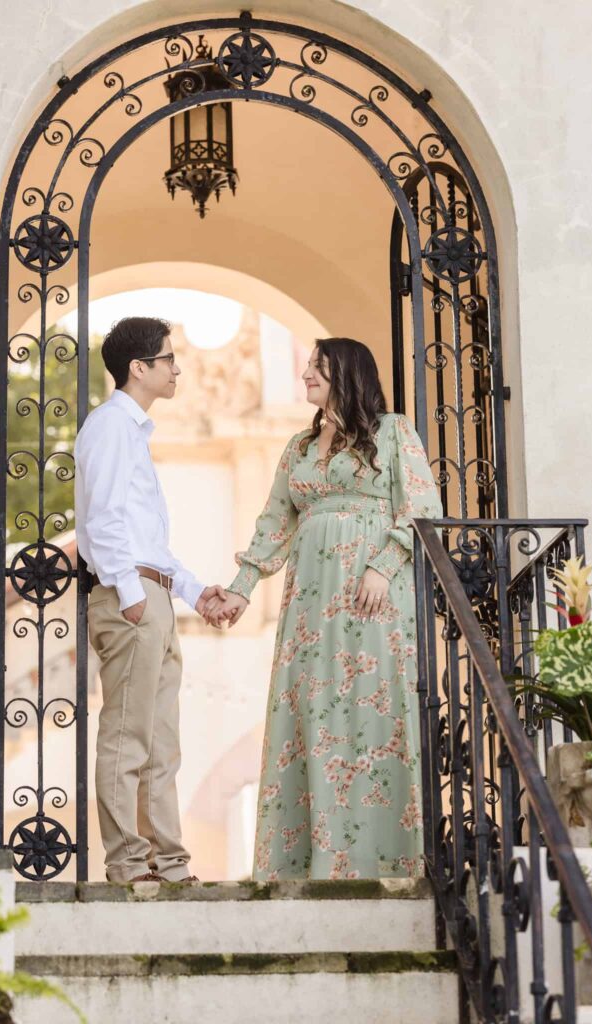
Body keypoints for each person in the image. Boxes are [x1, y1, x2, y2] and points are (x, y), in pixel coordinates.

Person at [205, 338, 442, 880]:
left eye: (316, 367)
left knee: (373, 710)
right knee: (312, 712)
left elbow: (424, 507)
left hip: (373, 595)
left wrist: (385, 565)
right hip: (310, 604)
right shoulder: (298, 447)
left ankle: (384, 859)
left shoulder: (393, 432)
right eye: (307, 365)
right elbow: (274, 523)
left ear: (347, 373)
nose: (306, 374)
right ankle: (311, 861)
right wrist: (242, 588)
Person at [74, 316, 227, 883]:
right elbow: (105, 520)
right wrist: (131, 593)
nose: (176, 369)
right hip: (129, 599)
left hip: (152, 596)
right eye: (167, 359)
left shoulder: (132, 431)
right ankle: (128, 863)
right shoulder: (111, 427)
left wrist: (190, 589)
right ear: (138, 368)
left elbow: (149, 542)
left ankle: (168, 860)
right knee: (126, 737)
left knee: (162, 742)